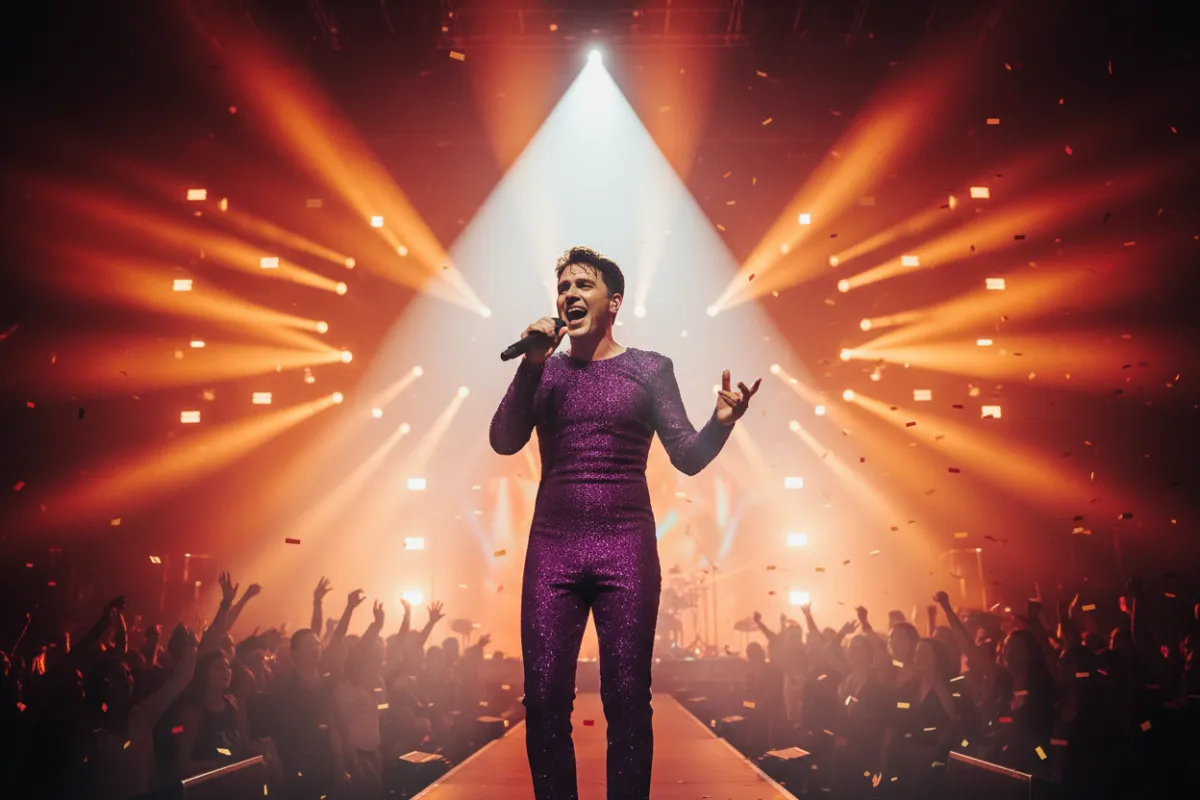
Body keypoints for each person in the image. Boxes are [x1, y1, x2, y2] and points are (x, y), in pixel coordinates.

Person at [489, 246, 760, 800]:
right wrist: (530, 362)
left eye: (581, 285)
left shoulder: (650, 369)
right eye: (562, 287)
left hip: (626, 548)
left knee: (628, 698)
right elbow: (503, 439)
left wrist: (721, 423)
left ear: (613, 301)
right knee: (542, 700)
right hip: (553, 549)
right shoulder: (545, 369)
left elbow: (686, 454)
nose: (569, 295)